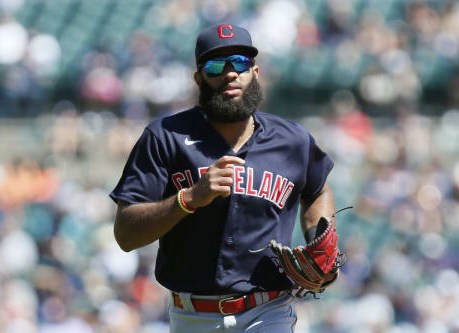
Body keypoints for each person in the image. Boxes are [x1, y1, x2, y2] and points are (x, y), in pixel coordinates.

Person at [110, 23, 337, 333]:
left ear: (255, 73)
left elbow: (319, 190)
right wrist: (188, 199)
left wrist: (318, 238)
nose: (231, 73)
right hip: (192, 315)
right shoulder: (165, 137)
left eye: (240, 63)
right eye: (217, 65)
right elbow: (126, 234)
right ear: (199, 78)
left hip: (268, 311)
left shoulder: (293, 140)